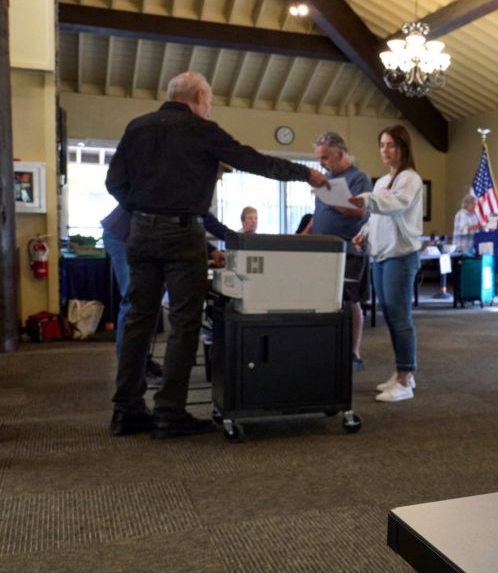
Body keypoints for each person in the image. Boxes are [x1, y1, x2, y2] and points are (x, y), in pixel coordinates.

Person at [105, 71, 329, 439]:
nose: (208, 108)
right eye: (208, 102)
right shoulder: (201, 129)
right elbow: (252, 160)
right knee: (184, 322)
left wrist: (145, 208)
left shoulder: (137, 127)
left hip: (140, 232)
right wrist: (304, 172)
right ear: (199, 97)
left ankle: (126, 410)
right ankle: (168, 413)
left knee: (138, 320)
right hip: (182, 234)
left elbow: (114, 183)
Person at [101, 204, 228, 386]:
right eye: (218, 174)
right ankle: (133, 372)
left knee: (147, 303)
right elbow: (200, 218)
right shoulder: (185, 183)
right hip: (123, 235)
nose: (217, 178)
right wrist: (237, 239)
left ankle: (141, 361)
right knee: (133, 301)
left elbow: (191, 223)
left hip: (144, 237)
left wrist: (212, 250)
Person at [349, 125, 422, 403]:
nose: (385, 150)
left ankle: (405, 379)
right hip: (380, 257)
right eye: (382, 145)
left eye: (391, 145)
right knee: (391, 317)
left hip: (401, 257)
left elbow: (395, 205)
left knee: (400, 318)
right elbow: (377, 217)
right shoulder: (381, 182)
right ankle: (404, 371)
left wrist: (365, 200)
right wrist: (364, 234)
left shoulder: (410, 179)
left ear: (403, 147)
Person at [309, 130, 372, 371]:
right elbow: (318, 217)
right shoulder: (326, 180)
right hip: (322, 251)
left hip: (350, 251)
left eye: (325, 157)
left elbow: (359, 212)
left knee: (350, 302)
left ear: (341, 153)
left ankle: (354, 353)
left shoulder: (359, 178)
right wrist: (302, 237)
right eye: (319, 158)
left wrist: (326, 196)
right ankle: (329, 346)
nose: (321, 163)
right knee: (324, 301)